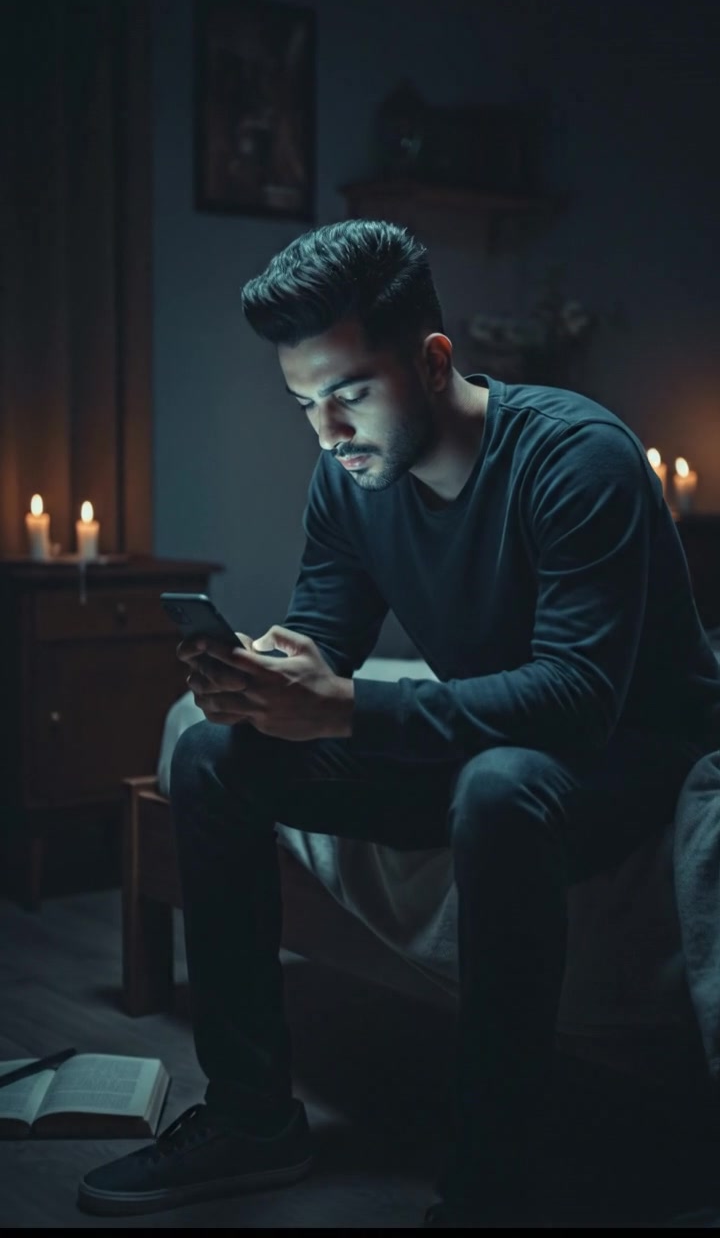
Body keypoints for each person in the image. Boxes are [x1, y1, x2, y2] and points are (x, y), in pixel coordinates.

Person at [77, 220, 720, 1226]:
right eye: (304, 405)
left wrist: (348, 705)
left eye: (349, 392)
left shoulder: (578, 457)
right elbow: (326, 635)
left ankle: (490, 1179)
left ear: (431, 360)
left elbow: (576, 698)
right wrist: (261, 674)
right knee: (210, 753)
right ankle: (251, 1118)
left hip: (619, 758)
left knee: (503, 783)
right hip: (485, 752)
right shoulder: (347, 478)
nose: (329, 432)